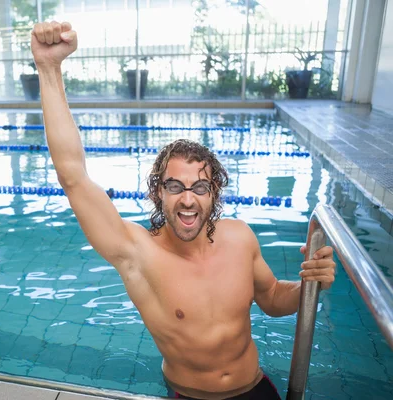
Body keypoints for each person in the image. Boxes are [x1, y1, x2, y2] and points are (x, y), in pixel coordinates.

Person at [30, 21, 336, 400]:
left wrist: (308, 285)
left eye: (200, 187)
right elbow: (73, 176)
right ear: (159, 192)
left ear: (214, 193)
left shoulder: (240, 237)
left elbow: (272, 297)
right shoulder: (137, 253)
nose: (187, 199)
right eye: (174, 186)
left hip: (256, 389)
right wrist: (49, 67)